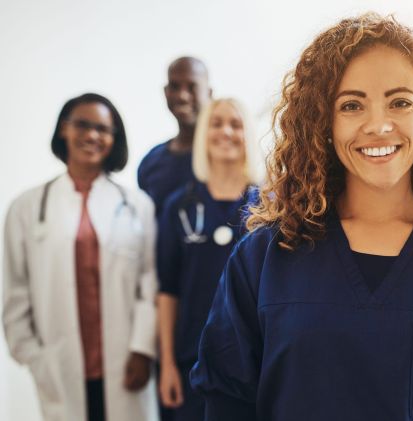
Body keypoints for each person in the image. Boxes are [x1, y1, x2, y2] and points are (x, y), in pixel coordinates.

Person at [190, 13, 413, 421]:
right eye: (352, 105)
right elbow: (227, 403)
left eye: (400, 102)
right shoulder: (263, 262)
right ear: (324, 121)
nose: (378, 124)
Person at [3, 93, 158, 421]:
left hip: (126, 364)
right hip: (59, 366)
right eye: (82, 125)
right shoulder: (27, 208)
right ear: (64, 130)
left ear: (114, 139)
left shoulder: (137, 205)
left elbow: (149, 283)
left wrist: (143, 349)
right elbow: (14, 292)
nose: (92, 135)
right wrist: (33, 357)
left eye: (103, 129)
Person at [156, 98, 260, 421]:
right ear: (203, 134)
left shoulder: (269, 208)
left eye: (236, 124)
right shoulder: (180, 206)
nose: (226, 132)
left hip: (253, 364)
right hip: (190, 361)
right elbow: (167, 291)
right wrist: (168, 365)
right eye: (216, 123)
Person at [138, 56, 213, 216]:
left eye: (192, 87)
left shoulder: (226, 157)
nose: (182, 96)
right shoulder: (150, 163)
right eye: (175, 86)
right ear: (165, 92)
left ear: (209, 93)